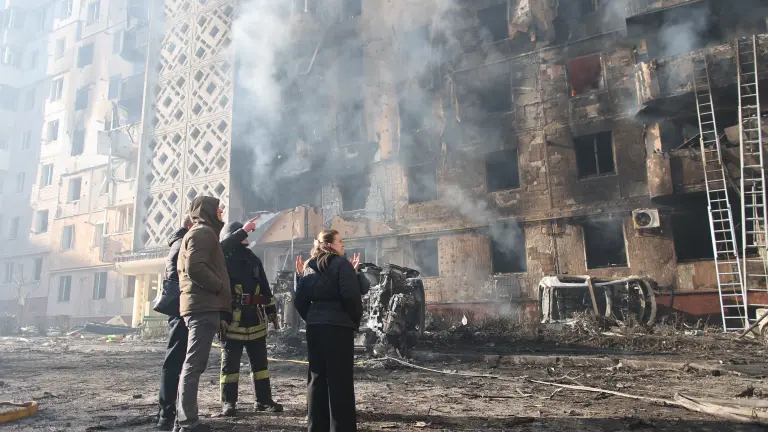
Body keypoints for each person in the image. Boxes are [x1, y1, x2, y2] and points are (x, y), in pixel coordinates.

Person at [156, 214, 259, 430]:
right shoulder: (186, 242)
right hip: (186, 309)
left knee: (184, 362)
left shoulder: (185, 241)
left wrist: (242, 231)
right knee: (181, 362)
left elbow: (217, 250)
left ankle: (175, 416)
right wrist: (218, 287)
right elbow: (198, 266)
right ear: (192, 226)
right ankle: (171, 416)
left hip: (186, 307)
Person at [294, 230, 369, 432]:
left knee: (316, 377)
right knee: (340, 380)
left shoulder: (308, 267)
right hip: (338, 328)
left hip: (315, 328)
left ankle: (316, 427)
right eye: (340, 241)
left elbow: (299, 300)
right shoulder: (342, 265)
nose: (342, 245)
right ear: (329, 245)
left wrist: (312, 318)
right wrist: (353, 321)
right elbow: (352, 297)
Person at [175, 196, 230, 432]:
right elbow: (195, 267)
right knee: (194, 364)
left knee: (193, 364)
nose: (221, 213)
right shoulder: (204, 233)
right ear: (208, 211)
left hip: (201, 305)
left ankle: (183, 420)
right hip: (203, 306)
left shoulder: (201, 233)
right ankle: (187, 422)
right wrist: (218, 286)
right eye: (218, 209)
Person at [218, 221, 283, 416]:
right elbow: (219, 292)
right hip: (232, 319)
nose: (246, 238)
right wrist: (221, 317)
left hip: (254, 318)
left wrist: (271, 309)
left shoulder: (252, 258)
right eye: (241, 235)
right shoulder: (222, 259)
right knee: (230, 366)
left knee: (260, 365)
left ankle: (263, 400)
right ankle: (228, 402)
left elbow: (264, 285)